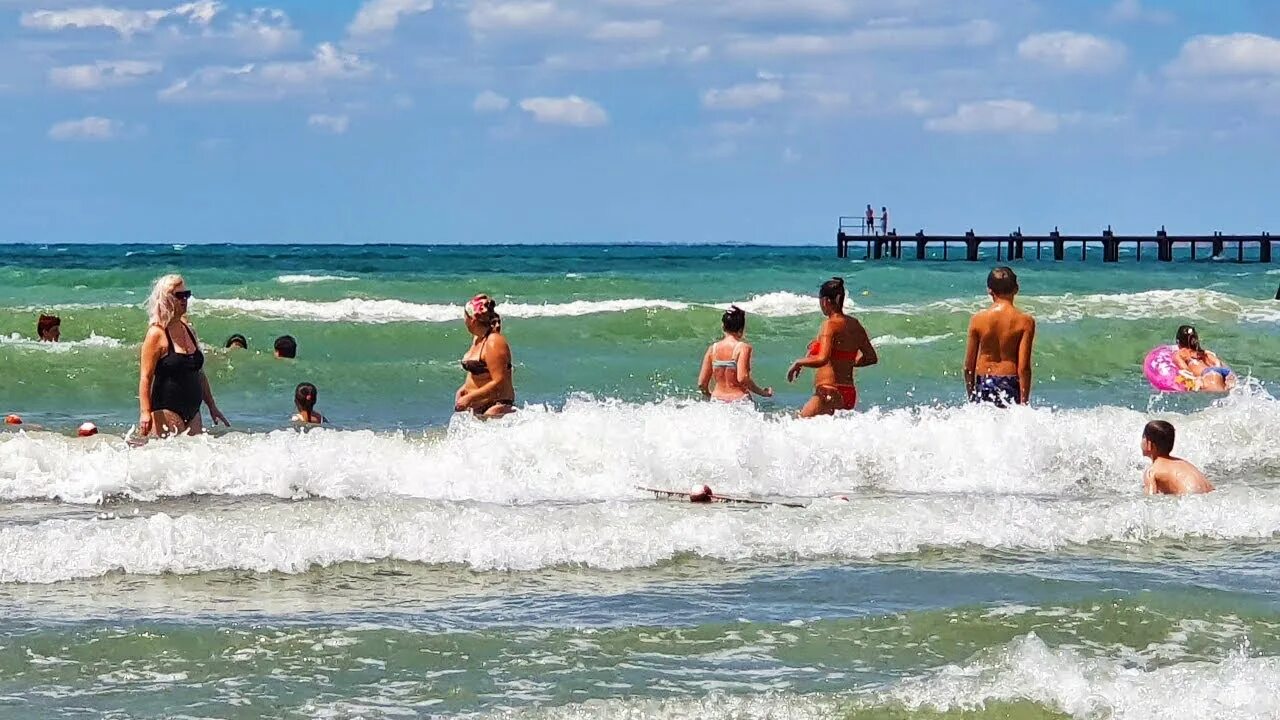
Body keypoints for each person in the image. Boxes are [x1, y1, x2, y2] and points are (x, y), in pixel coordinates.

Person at [138, 274, 230, 437]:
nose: (184, 299)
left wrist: (212, 406)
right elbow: (146, 377)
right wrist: (145, 413)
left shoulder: (189, 330)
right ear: (165, 299)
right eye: (179, 296)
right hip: (166, 409)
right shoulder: (156, 334)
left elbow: (199, 373)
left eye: (186, 295)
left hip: (193, 411)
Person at [787, 277, 878, 417]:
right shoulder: (855, 325)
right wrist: (847, 362)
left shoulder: (829, 325)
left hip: (829, 391)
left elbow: (822, 359)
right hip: (848, 394)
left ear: (825, 301)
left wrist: (798, 362)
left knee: (797, 425)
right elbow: (871, 358)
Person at [964, 267, 1036, 407]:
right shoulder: (1025, 321)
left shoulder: (977, 319)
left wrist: (972, 395)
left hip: (984, 380)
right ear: (1016, 289)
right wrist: (1024, 402)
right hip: (1010, 380)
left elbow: (968, 367)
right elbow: (1024, 367)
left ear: (989, 290)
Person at [456, 294, 516, 417]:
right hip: (476, 405)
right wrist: (464, 389)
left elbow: (499, 381)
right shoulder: (478, 339)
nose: (464, 320)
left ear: (472, 319)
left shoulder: (493, 341)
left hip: (496, 405)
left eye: (465, 316)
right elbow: (480, 373)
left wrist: (470, 398)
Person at [697, 306, 772, 403]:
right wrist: (763, 393)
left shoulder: (712, 349)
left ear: (723, 327)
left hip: (717, 401)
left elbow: (701, 383)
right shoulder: (743, 348)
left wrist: (709, 395)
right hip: (738, 401)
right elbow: (742, 378)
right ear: (741, 329)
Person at [1142, 420, 1214, 495]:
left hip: (1191, 500)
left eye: (1143, 437)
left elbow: (1150, 500)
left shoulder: (1151, 472)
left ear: (1149, 444)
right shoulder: (1183, 463)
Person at [1172, 325, 1234, 392]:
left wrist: (1195, 380)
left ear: (1178, 342)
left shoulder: (1179, 354)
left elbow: (1186, 371)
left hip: (1207, 375)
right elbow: (1217, 363)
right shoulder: (1204, 352)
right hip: (1221, 371)